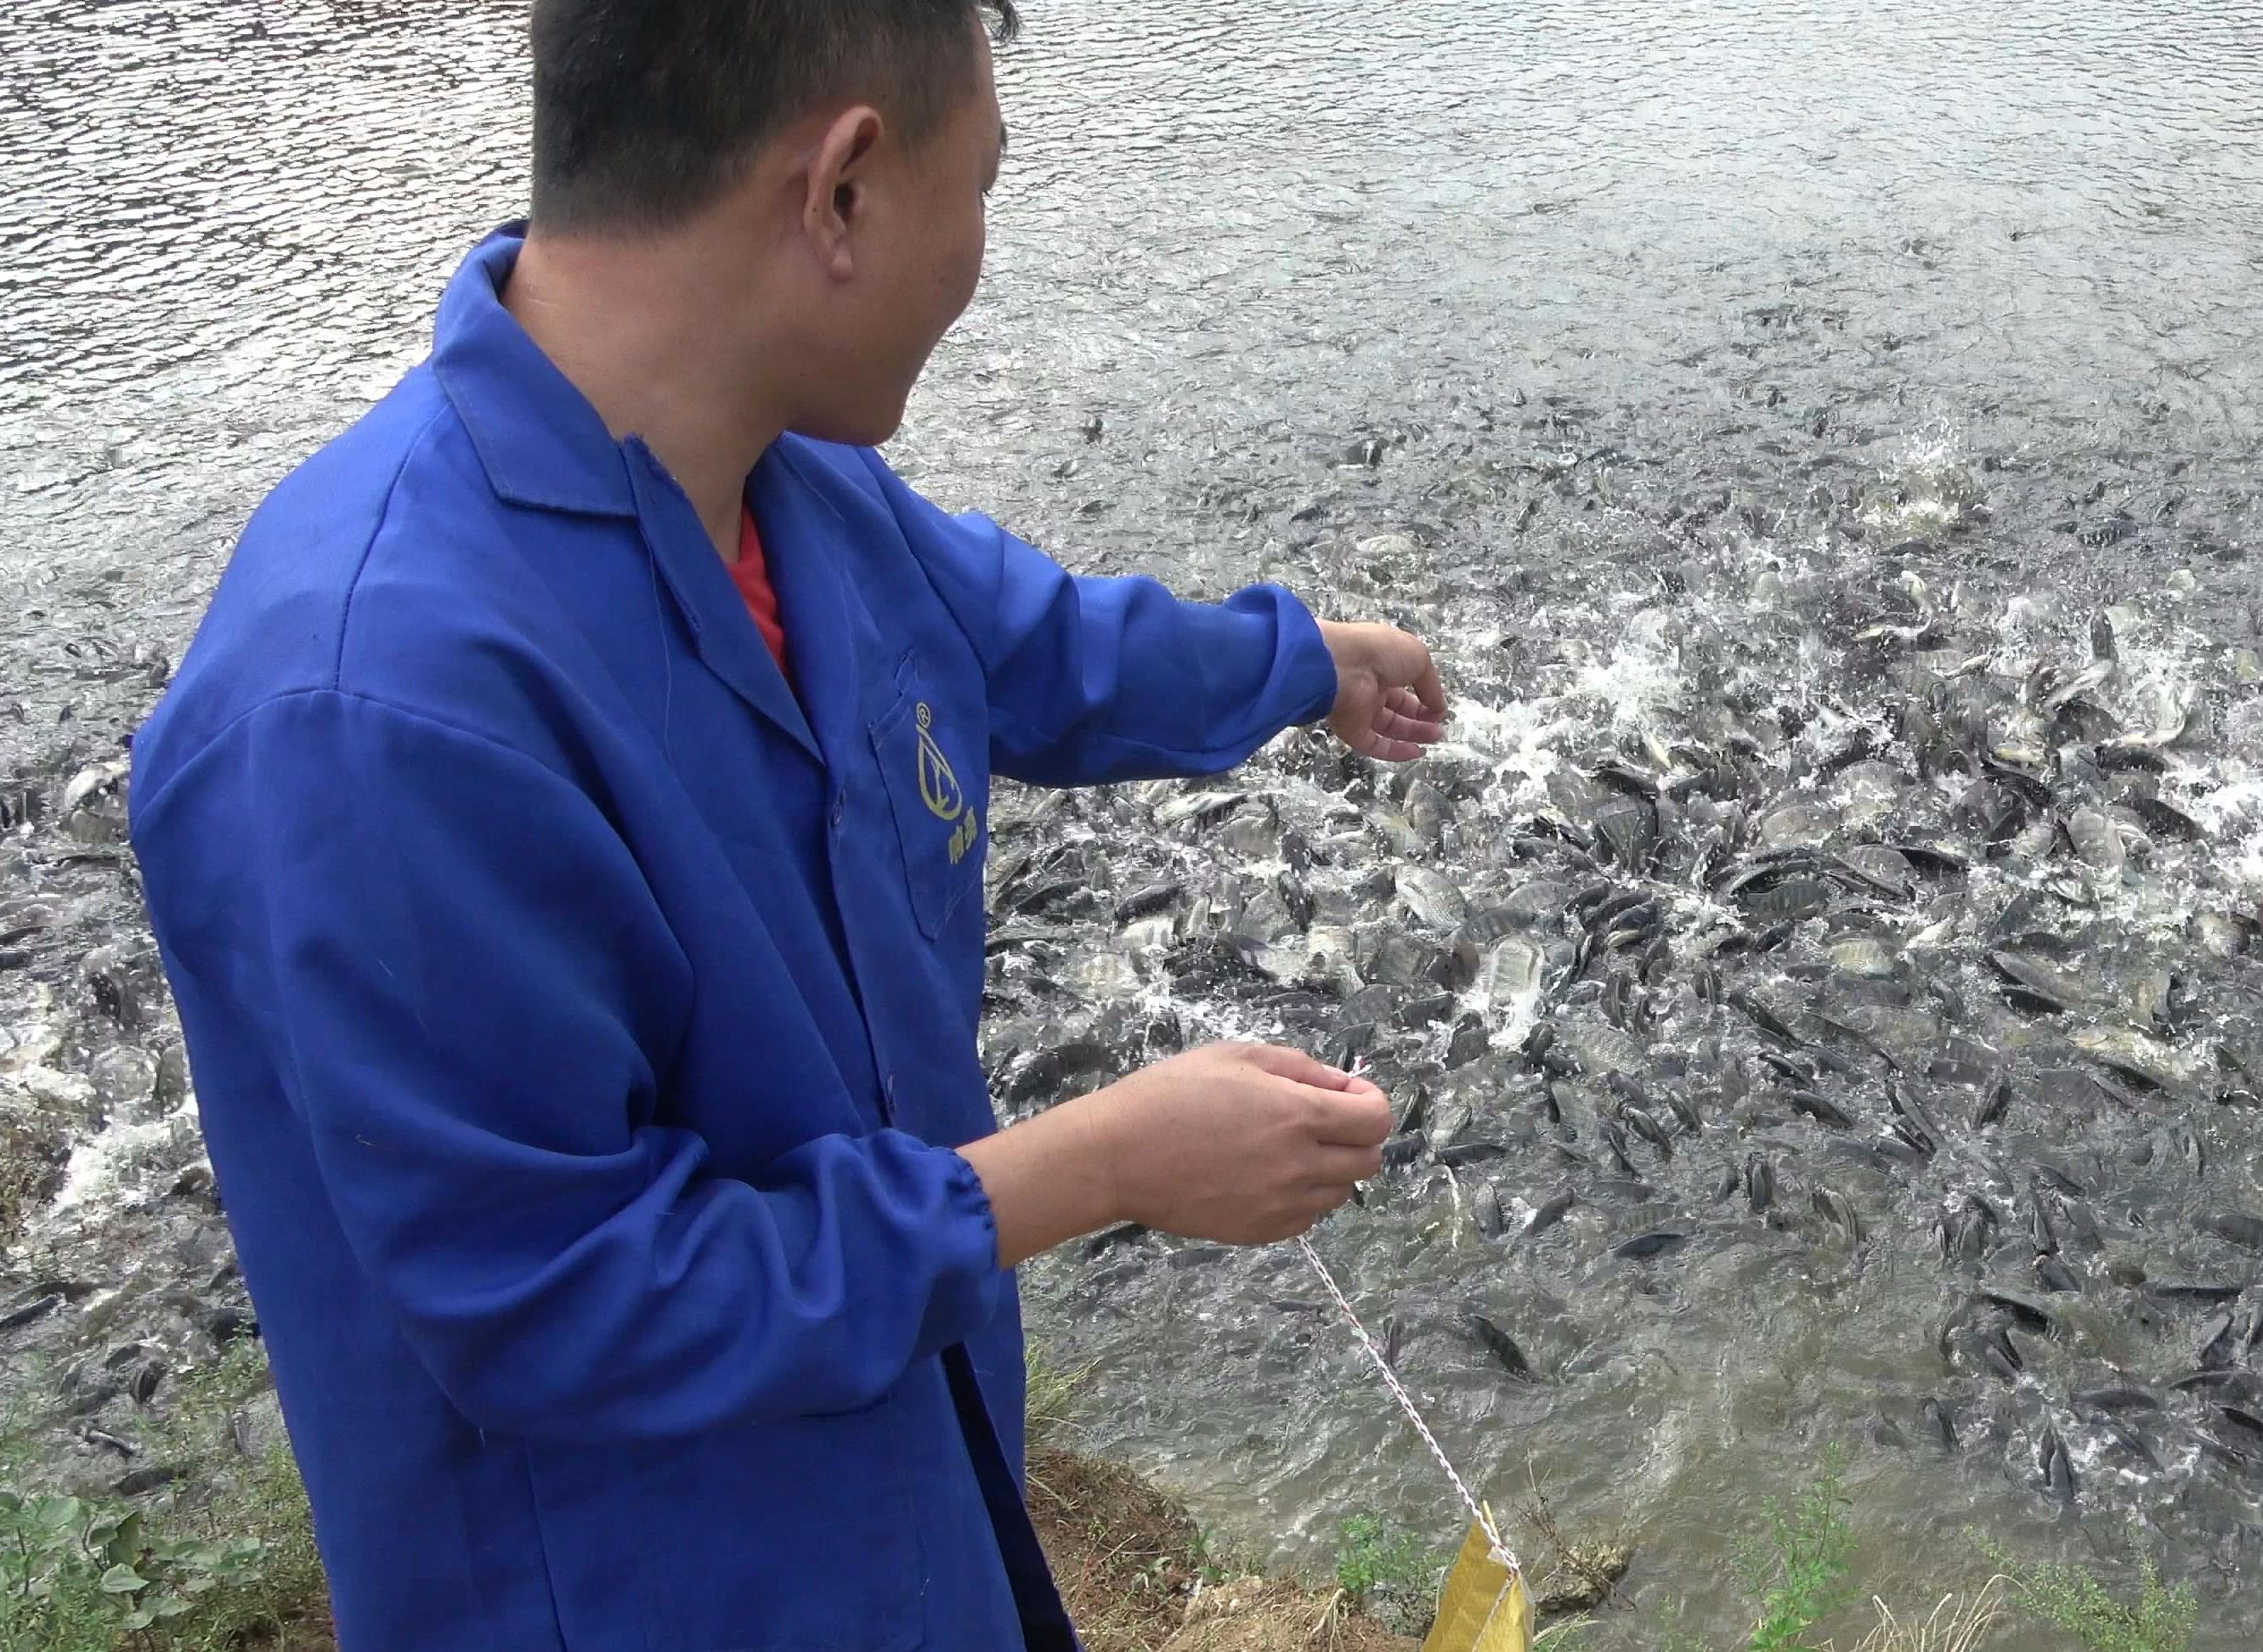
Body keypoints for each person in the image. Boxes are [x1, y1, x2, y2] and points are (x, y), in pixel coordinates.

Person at [125, 3, 1444, 1648]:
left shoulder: (778, 481)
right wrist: (1103, 1163)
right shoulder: (370, 706)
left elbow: (1024, 645)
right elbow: (560, 1303)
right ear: (841, 191)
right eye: (982, 188)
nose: (977, 259)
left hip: (907, 1492)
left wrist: (1300, 662)